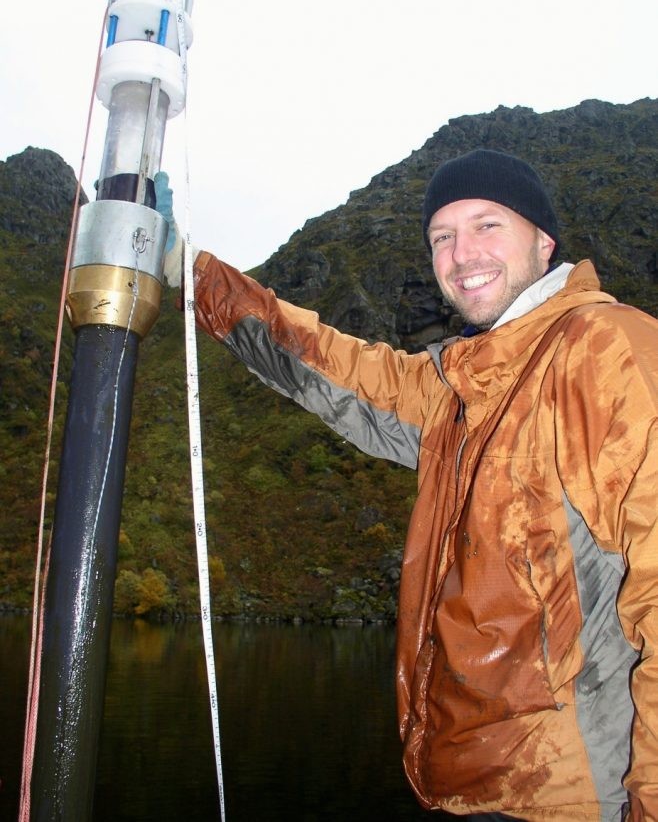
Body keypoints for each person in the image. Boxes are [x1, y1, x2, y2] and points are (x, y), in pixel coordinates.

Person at [155, 149, 658, 821]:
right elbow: (327, 364)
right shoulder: (458, 384)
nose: (461, 252)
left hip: (571, 796)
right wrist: (190, 274)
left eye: (486, 225)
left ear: (543, 241)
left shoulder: (602, 348)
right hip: (462, 786)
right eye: (442, 237)